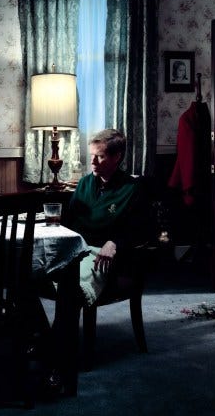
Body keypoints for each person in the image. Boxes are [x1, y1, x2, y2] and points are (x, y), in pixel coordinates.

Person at [36, 129, 149, 392]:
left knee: (70, 289)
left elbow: (143, 230)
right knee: (26, 275)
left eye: (100, 157)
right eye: (92, 156)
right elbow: (70, 221)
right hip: (75, 248)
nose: (93, 162)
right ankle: (45, 338)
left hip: (105, 256)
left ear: (117, 157)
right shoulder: (86, 183)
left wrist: (115, 243)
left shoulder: (133, 189)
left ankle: (56, 364)